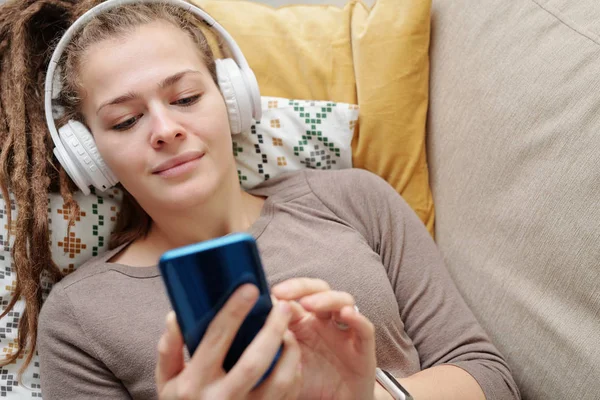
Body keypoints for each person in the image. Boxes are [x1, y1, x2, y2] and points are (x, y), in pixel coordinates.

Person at [9, 0, 520, 399]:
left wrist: (366, 397)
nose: (165, 129)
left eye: (186, 98)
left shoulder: (354, 199)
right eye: (125, 120)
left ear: (233, 99)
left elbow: (489, 379)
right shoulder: (79, 316)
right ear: (89, 155)